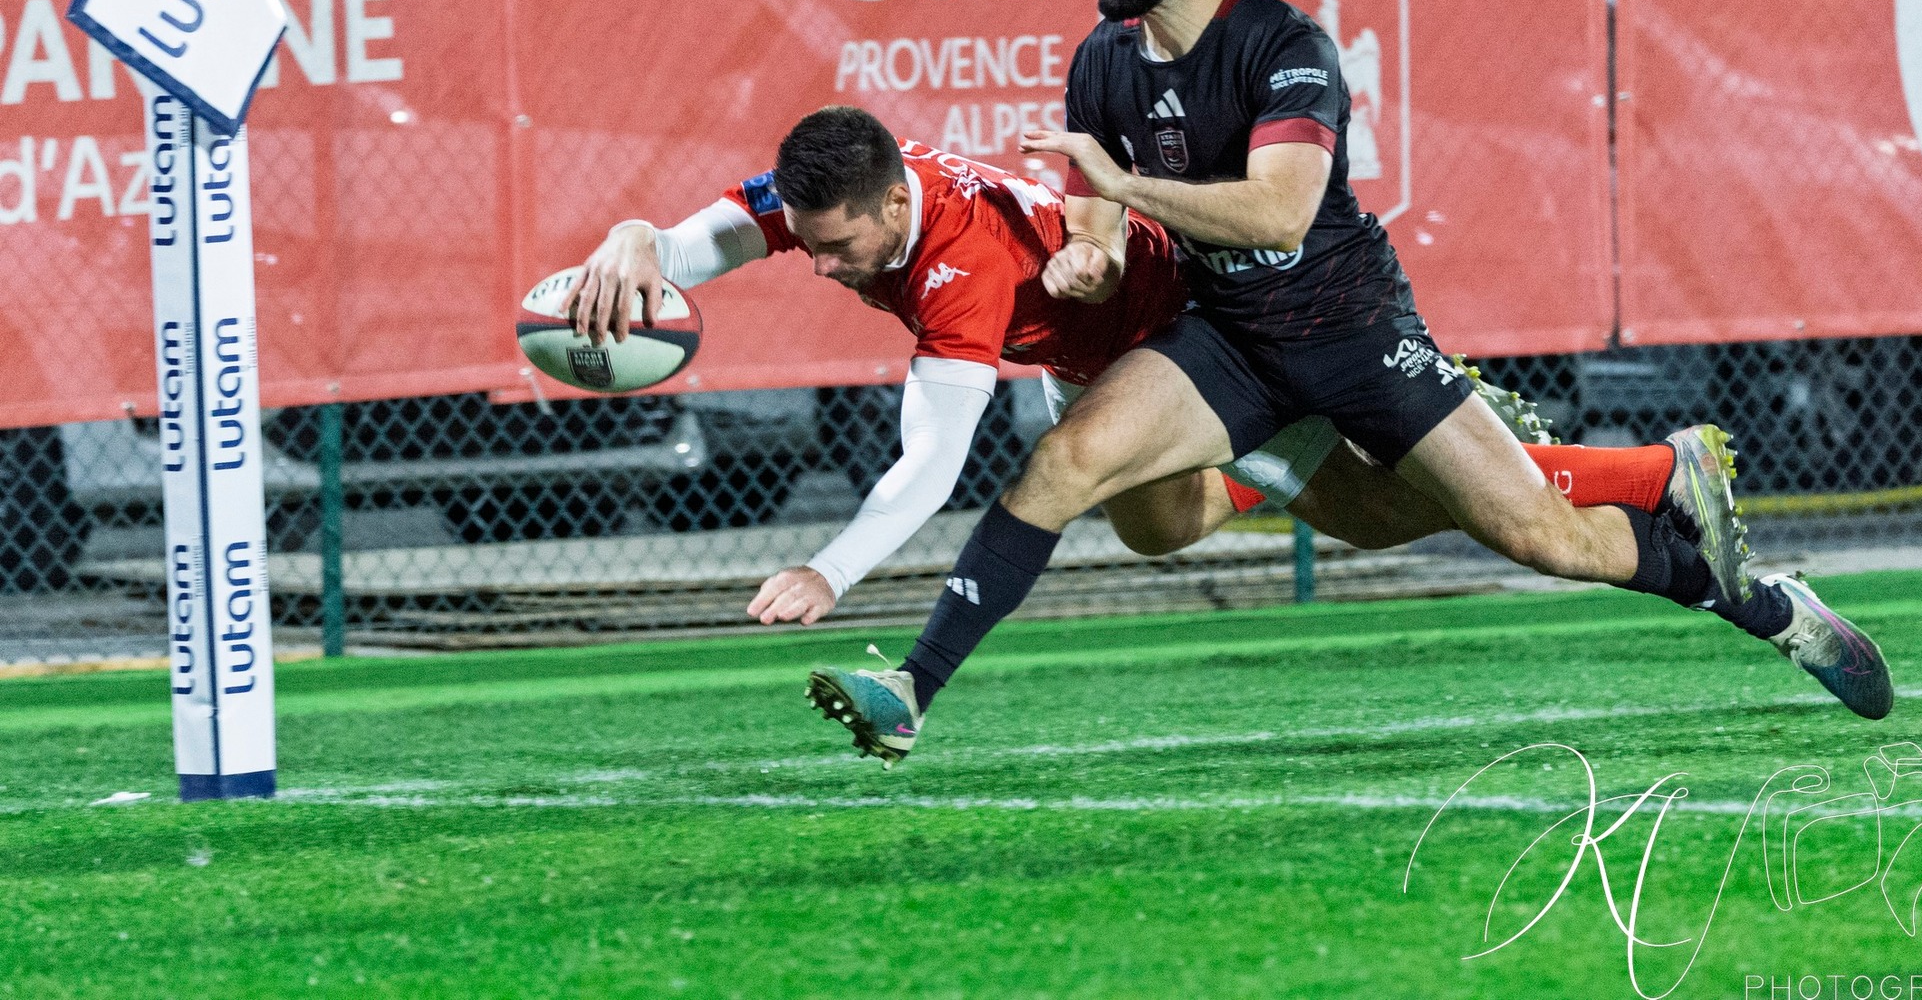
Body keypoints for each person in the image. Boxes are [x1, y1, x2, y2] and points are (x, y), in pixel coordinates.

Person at [806, 0, 1892, 765]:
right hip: (1227, 339)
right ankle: (909, 690)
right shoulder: (1103, 60)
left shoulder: (1284, 45)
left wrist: (1123, 186)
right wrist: (1088, 253)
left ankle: (1761, 601)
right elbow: (1096, 208)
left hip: (1352, 331)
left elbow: (1278, 212)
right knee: (1066, 464)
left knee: (1538, 537)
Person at [564, 109, 1712, 625]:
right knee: (1160, 528)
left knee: (1383, 512)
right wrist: (634, 239)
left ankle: (1649, 472)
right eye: (807, 243)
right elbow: (707, 239)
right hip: (1095, 355)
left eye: (835, 249)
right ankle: (1397, 450)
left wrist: (829, 572)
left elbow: (930, 466)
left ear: (891, 209)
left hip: (1192, 340)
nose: (818, 266)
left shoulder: (959, 270)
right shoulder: (845, 187)